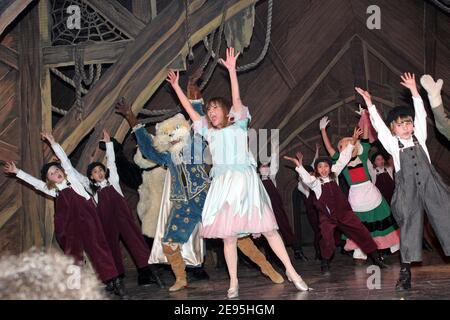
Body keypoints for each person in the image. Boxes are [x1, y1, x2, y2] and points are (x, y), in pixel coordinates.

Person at [167, 47, 309, 298]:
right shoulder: (207, 131)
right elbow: (190, 110)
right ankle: (233, 282)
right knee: (229, 237)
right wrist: (177, 87)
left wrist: (232, 71)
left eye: (214, 108)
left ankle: (291, 271)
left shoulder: (239, 123)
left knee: (269, 230)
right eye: (208, 109)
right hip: (224, 184)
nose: (210, 112)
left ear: (225, 111)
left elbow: (236, 100)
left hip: (246, 182)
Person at [356, 72, 450, 291]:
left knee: (446, 218)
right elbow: (378, 125)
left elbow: (420, 112)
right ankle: (405, 273)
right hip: (408, 191)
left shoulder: (421, 137)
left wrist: (414, 90)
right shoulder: (391, 144)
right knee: (408, 227)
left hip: (431, 186)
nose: (407, 127)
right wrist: (369, 103)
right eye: (401, 125)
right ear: (393, 129)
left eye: (408, 124)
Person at [2, 132, 126, 298]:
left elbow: (66, 162)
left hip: (89, 222)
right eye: (51, 174)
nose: (56, 173)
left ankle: (114, 282)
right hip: (70, 228)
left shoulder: (73, 181)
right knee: (73, 257)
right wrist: (18, 172)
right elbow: (37, 185)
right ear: (50, 181)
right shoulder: (54, 191)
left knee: (99, 250)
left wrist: (54, 143)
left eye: (56, 170)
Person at [285, 128, 387, 276]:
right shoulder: (315, 182)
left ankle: (375, 257)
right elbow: (307, 179)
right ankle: (325, 262)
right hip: (327, 218)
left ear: (329, 167)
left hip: (344, 214)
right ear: (317, 170)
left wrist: (352, 140)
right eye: (320, 167)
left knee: (362, 232)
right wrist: (299, 167)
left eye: (326, 166)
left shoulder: (335, 174)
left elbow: (344, 158)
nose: (324, 169)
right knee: (327, 240)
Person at [84, 129, 164, 289]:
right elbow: (72, 175)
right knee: (111, 247)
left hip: (124, 218)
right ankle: (115, 279)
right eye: (95, 172)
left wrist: (108, 144)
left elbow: (112, 162)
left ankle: (150, 273)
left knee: (137, 243)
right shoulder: (91, 189)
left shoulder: (112, 181)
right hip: (107, 222)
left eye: (101, 170)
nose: (99, 173)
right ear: (91, 176)